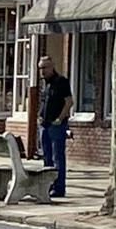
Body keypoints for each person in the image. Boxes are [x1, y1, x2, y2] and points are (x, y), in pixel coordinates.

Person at [32, 48, 73, 198]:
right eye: (40, 69)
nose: (42, 71)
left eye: (45, 68)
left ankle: (59, 187)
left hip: (56, 125)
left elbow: (69, 102)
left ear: (52, 66)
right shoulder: (44, 84)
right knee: (47, 158)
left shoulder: (61, 82)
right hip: (44, 124)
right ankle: (47, 186)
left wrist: (60, 119)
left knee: (57, 158)